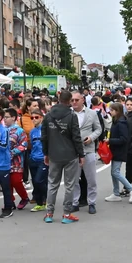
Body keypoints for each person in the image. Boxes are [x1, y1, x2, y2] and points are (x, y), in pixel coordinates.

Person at [41, 90, 84, 224]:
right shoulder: (71, 116)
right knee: (69, 185)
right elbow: (76, 137)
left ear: (59, 99)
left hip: (54, 154)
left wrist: (46, 153)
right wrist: (81, 154)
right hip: (70, 154)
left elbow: (44, 137)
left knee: (52, 184)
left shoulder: (48, 116)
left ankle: (49, 213)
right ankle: (66, 214)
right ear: (69, 101)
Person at [71, 91, 102, 214]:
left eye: (76, 100)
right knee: (73, 180)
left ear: (83, 100)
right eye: (72, 100)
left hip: (88, 150)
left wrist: (91, 137)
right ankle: (75, 202)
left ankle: (92, 202)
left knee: (91, 179)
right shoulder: (69, 114)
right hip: (73, 151)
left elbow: (98, 129)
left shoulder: (92, 113)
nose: (74, 102)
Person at [104, 102, 132, 203]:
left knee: (115, 172)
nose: (110, 112)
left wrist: (110, 141)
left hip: (119, 150)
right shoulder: (117, 121)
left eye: (112, 110)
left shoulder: (121, 123)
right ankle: (116, 193)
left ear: (117, 111)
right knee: (114, 172)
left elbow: (124, 139)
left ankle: (131, 189)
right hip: (115, 150)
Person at [3, 108, 30, 209]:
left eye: (7, 117)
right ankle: (10, 202)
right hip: (4, 161)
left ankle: (24, 197)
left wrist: (13, 152)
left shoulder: (19, 130)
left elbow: (24, 144)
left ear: (13, 118)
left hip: (16, 161)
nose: (5, 119)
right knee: (7, 182)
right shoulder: (3, 130)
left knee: (16, 180)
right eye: (4, 117)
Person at [27, 110, 48, 211]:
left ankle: (46, 199)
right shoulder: (32, 132)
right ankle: (40, 203)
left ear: (41, 118)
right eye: (32, 118)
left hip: (43, 159)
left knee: (39, 180)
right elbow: (32, 145)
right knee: (35, 182)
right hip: (33, 159)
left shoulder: (46, 130)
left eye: (36, 117)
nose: (34, 120)